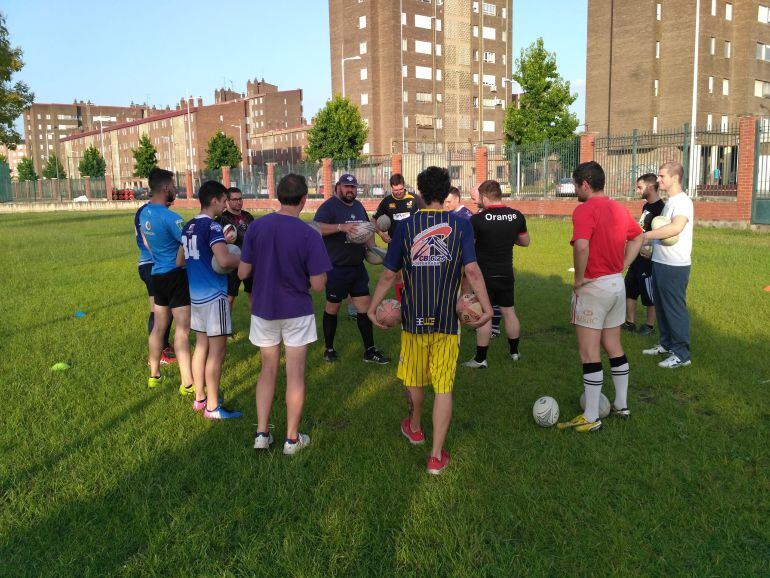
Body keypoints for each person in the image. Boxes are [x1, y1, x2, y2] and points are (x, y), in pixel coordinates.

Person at [368, 166, 493, 475]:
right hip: (447, 322)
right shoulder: (461, 225)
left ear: (420, 193)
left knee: (414, 378)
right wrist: (487, 307)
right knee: (443, 386)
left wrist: (372, 307)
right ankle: (436, 456)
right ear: (447, 191)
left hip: (413, 319)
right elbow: (473, 272)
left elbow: (388, 273)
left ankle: (414, 427)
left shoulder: (406, 227)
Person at [239, 174, 332, 454]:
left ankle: (261, 433)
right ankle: (291, 440)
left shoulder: (257, 227)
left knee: (267, 370)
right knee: (295, 374)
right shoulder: (308, 234)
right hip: (296, 311)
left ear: (278, 196)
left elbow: (243, 272)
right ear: (305, 199)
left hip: (264, 309)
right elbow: (318, 285)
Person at [558, 161, 643, 433]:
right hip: (617, 285)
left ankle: (591, 415)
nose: (574, 189)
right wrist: (623, 265)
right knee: (613, 345)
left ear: (585, 184)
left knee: (588, 351)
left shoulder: (584, 209)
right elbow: (639, 237)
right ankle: (621, 404)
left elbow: (581, 245)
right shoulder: (618, 208)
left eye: (575, 184)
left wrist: (579, 278)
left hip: (594, 287)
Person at [181, 181, 243, 419]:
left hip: (195, 297)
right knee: (217, 353)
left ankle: (200, 398)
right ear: (215, 200)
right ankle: (213, 407)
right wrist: (243, 258)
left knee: (201, 347)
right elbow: (225, 261)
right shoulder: (214, 227)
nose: (226, 204)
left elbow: (179, 261)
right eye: (225, 200)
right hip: (214, 296)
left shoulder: (188, 226)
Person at [313, 173, 389, 364]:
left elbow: (367, 229)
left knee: (364, 307)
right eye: (346, 187)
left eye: (353, 187)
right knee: (333, 307)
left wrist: (372, 248)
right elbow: (316, 227)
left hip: (357, 267)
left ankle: (370, 351)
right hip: (336, 268)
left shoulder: (358, 206)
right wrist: (341, 227)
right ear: (338, 187)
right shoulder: (329, 206)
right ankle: (329, 349)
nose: (350, 190)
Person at [462, 179, 530, 368]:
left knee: (485, 313)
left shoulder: (477, 219)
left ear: (484, 197)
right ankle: (514, 352)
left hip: (484, 276)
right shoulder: (516, 216)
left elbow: (470, 246)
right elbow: (525, 242)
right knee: (509, 312)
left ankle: (480, 359)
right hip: (506, 272)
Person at [139, 168, 193, 391]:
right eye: (172, 186)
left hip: (157, 274)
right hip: (175, 276)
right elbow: (187, 246)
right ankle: (187, 383)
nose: (174, 189)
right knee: (182, 330)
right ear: (164, 188)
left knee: (159, 328)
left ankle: (154, 375)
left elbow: (147, 242)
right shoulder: (172, 217)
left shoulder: (144, 213)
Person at [642, 161, 694, 369]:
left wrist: (646, 236)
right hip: (660, 261)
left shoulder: (682, 202)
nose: (659, 180)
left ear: (675, 178)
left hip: (675, 265)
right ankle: (665, 344)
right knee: (662, 307)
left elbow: (676, 228)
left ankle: (682, 355)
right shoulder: (670, 202)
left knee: (674, 309)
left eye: (662, 176)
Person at [623, 174, 665, 336]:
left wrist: (651, 250)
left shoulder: (662, 208)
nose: (637, 190)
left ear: (651, 187)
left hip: (648, 259)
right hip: (636, 255)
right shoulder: (646, 206)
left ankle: (649, 326)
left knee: (649, 293)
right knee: (630, 289)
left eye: (640, 187)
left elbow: (662, 234)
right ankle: (630, 322)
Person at [135, 197, 175, 365]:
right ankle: (157, 357)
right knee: (158, 311)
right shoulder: (148, 212)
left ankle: (164, 346)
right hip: (153, 264)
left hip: (157, 264)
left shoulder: (149, 211)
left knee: (170, 308)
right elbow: (147, 240)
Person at [372, 173, 422, 303]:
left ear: (404, 186)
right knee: (396, 275)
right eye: (395, 190)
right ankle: (402, 302)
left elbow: (426, 215)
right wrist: (381, 234)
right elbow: (373, 220)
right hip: (394, 244)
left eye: (400, 189)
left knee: (414, 274)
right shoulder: (387, 201)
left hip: (414, 244)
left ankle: (416, 299)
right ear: (391, 188)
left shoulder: (415, 199)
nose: (398, 192)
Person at [217, 187, 255, 309]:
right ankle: (225, 326)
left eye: (240, 199)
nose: (238, 202)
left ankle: (256, 325)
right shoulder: (221, 219)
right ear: (227, 201)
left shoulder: (248, 217)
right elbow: (216, 243)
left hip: (248, 260)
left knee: (253, 294)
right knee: (229, 297)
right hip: (232, 263)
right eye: (234, 199)